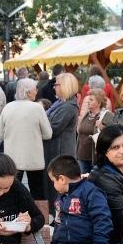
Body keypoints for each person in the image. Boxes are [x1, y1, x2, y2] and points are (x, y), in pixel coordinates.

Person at [0, 78, 52, 201]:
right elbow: (48, 134)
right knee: (37, 192)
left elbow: (0, 135)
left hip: (13, 158)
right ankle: (38, 212)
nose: (37, 91)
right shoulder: (37, 108)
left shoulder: (8, 107)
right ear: (28, 92)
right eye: (35, 89)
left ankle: (12, 212)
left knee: (11, 192)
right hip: (34, 158)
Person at [42, 73, 80, 217]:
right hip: (54, 151)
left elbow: (54, 128)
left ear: (65, 86)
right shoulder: (61, 104)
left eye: (56, 85)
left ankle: (57, 217)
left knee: (57, 188)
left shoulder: (69, 106)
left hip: (60, 152)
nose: (54, 87)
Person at [76, 89, 112, 174]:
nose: (88, 101)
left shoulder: (107, 115)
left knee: (96, 180)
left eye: (91, 100)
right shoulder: (87, 114)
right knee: (83, 180)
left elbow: (114, 133)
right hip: (81, 157)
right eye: (88, 99)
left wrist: (102, 127)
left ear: (99, 103)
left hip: (96, 158)